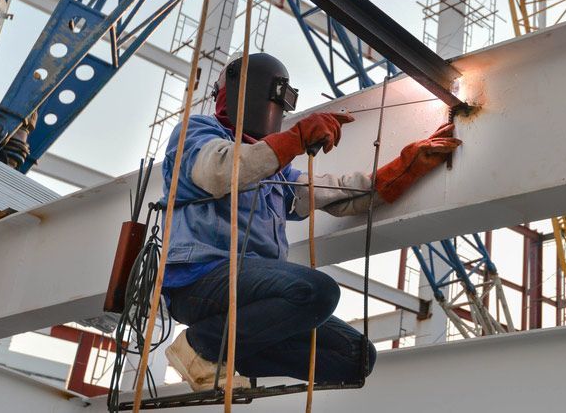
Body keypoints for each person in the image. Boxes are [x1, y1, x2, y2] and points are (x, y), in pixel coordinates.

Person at [162, 53, 461, 390]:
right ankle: (202, 346)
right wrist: (296, 138)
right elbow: (221, 171)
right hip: (200, 282)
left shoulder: (275, 169)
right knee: (315, 291)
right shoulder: (196, 133)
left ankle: (226, 355)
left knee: (356, 357)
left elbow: (335, 192)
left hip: (253, 299)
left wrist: (405, 168)